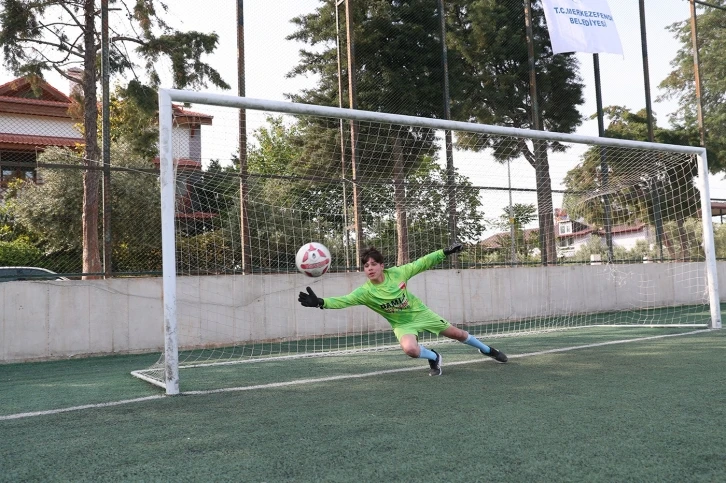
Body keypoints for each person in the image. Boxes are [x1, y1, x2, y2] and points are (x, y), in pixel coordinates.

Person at [298, 243, 508, 376]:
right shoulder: (365, 292)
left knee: (458, 334)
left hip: (421, 313)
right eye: (366, 266)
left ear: (382, 266)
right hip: (402, 324)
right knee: (411, 350)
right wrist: (320, 302)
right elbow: (344, 300)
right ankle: (434, 357)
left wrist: (445, 252)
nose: (369, 268)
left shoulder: (398, 273)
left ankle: (488, 350)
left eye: (373, 264)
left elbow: (422, 263)